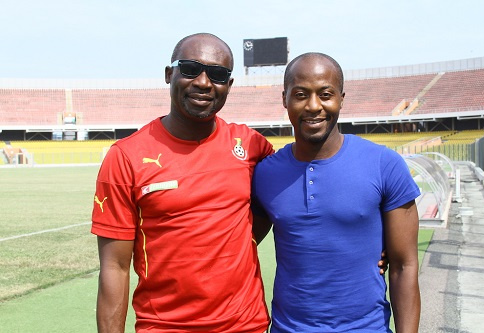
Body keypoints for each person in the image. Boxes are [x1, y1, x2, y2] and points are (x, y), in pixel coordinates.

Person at [91, 33, 274, 332]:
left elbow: (296, 189)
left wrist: (376, 243)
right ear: (169, 74)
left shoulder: (252, 145)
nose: (203, 82)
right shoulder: (126, 156)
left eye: (217, 74)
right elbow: (115, 266)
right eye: (190, 69)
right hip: (164, 327)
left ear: (228, 85)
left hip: (246, 324)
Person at [251, 53, 421, 332]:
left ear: (342, 98)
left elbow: (404, 266)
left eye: (325, 94)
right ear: (285, 99)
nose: (314, 106)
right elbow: (240, 244)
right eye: (301, 94)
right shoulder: (266, 173)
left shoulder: (383, 164)